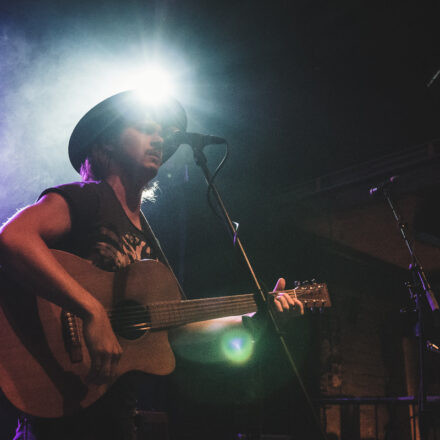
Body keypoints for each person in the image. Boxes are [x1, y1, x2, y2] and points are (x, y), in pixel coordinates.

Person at [0, 90, 303, 440]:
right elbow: (13, 238)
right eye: (144, 128)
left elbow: (176, 326)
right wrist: (92, 312)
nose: (158, 138)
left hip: (113, 412)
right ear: (108, 143)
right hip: (58, 405)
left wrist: (255, 316)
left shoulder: (149, 236)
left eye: (161, 133)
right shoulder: (87, 199)